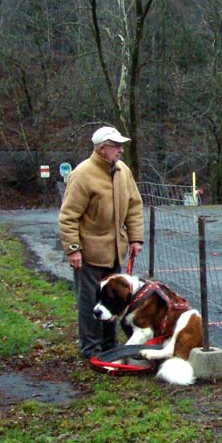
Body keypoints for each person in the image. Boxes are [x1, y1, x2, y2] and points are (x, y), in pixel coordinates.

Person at [59, 126, 145, 359]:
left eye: (120, 145)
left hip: (115, 252)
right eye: (116, 146)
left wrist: (136, 237)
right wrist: (73, 249)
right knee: (90, 305)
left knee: (113, 301)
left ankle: (110, 346)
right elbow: (68, 216)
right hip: (89, 254)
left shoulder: (123, 171)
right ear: (101, 148)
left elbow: (134, 206)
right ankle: (92, 349)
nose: (121, 149)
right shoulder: (82, 174)